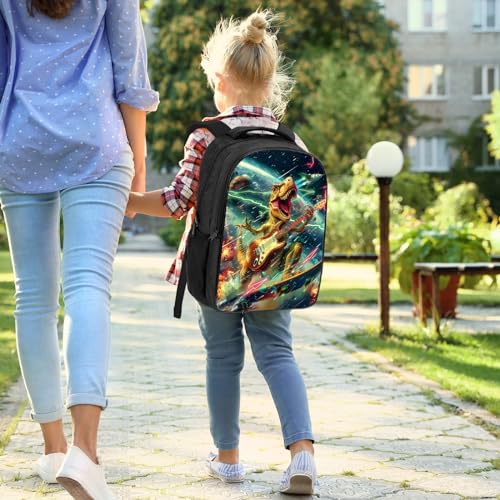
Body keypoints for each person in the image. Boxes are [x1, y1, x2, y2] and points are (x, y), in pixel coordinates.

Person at [127, 9, 317, 495]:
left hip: (216, 271)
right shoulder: (289, 140)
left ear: (219, 80)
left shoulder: (207, 136)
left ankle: (228, 459)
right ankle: (302, 455)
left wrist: (130, 200)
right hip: (273, 271)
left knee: (222, 358)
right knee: (278, 354)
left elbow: (176, 203)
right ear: (269, 83)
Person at [0, 0, 158, 498]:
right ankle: (84, 454)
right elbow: (129, 72)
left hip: (19, 141)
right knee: (87, 286)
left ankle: (53, 448)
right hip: (96, 141)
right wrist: (138, 163)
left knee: (33, 298)